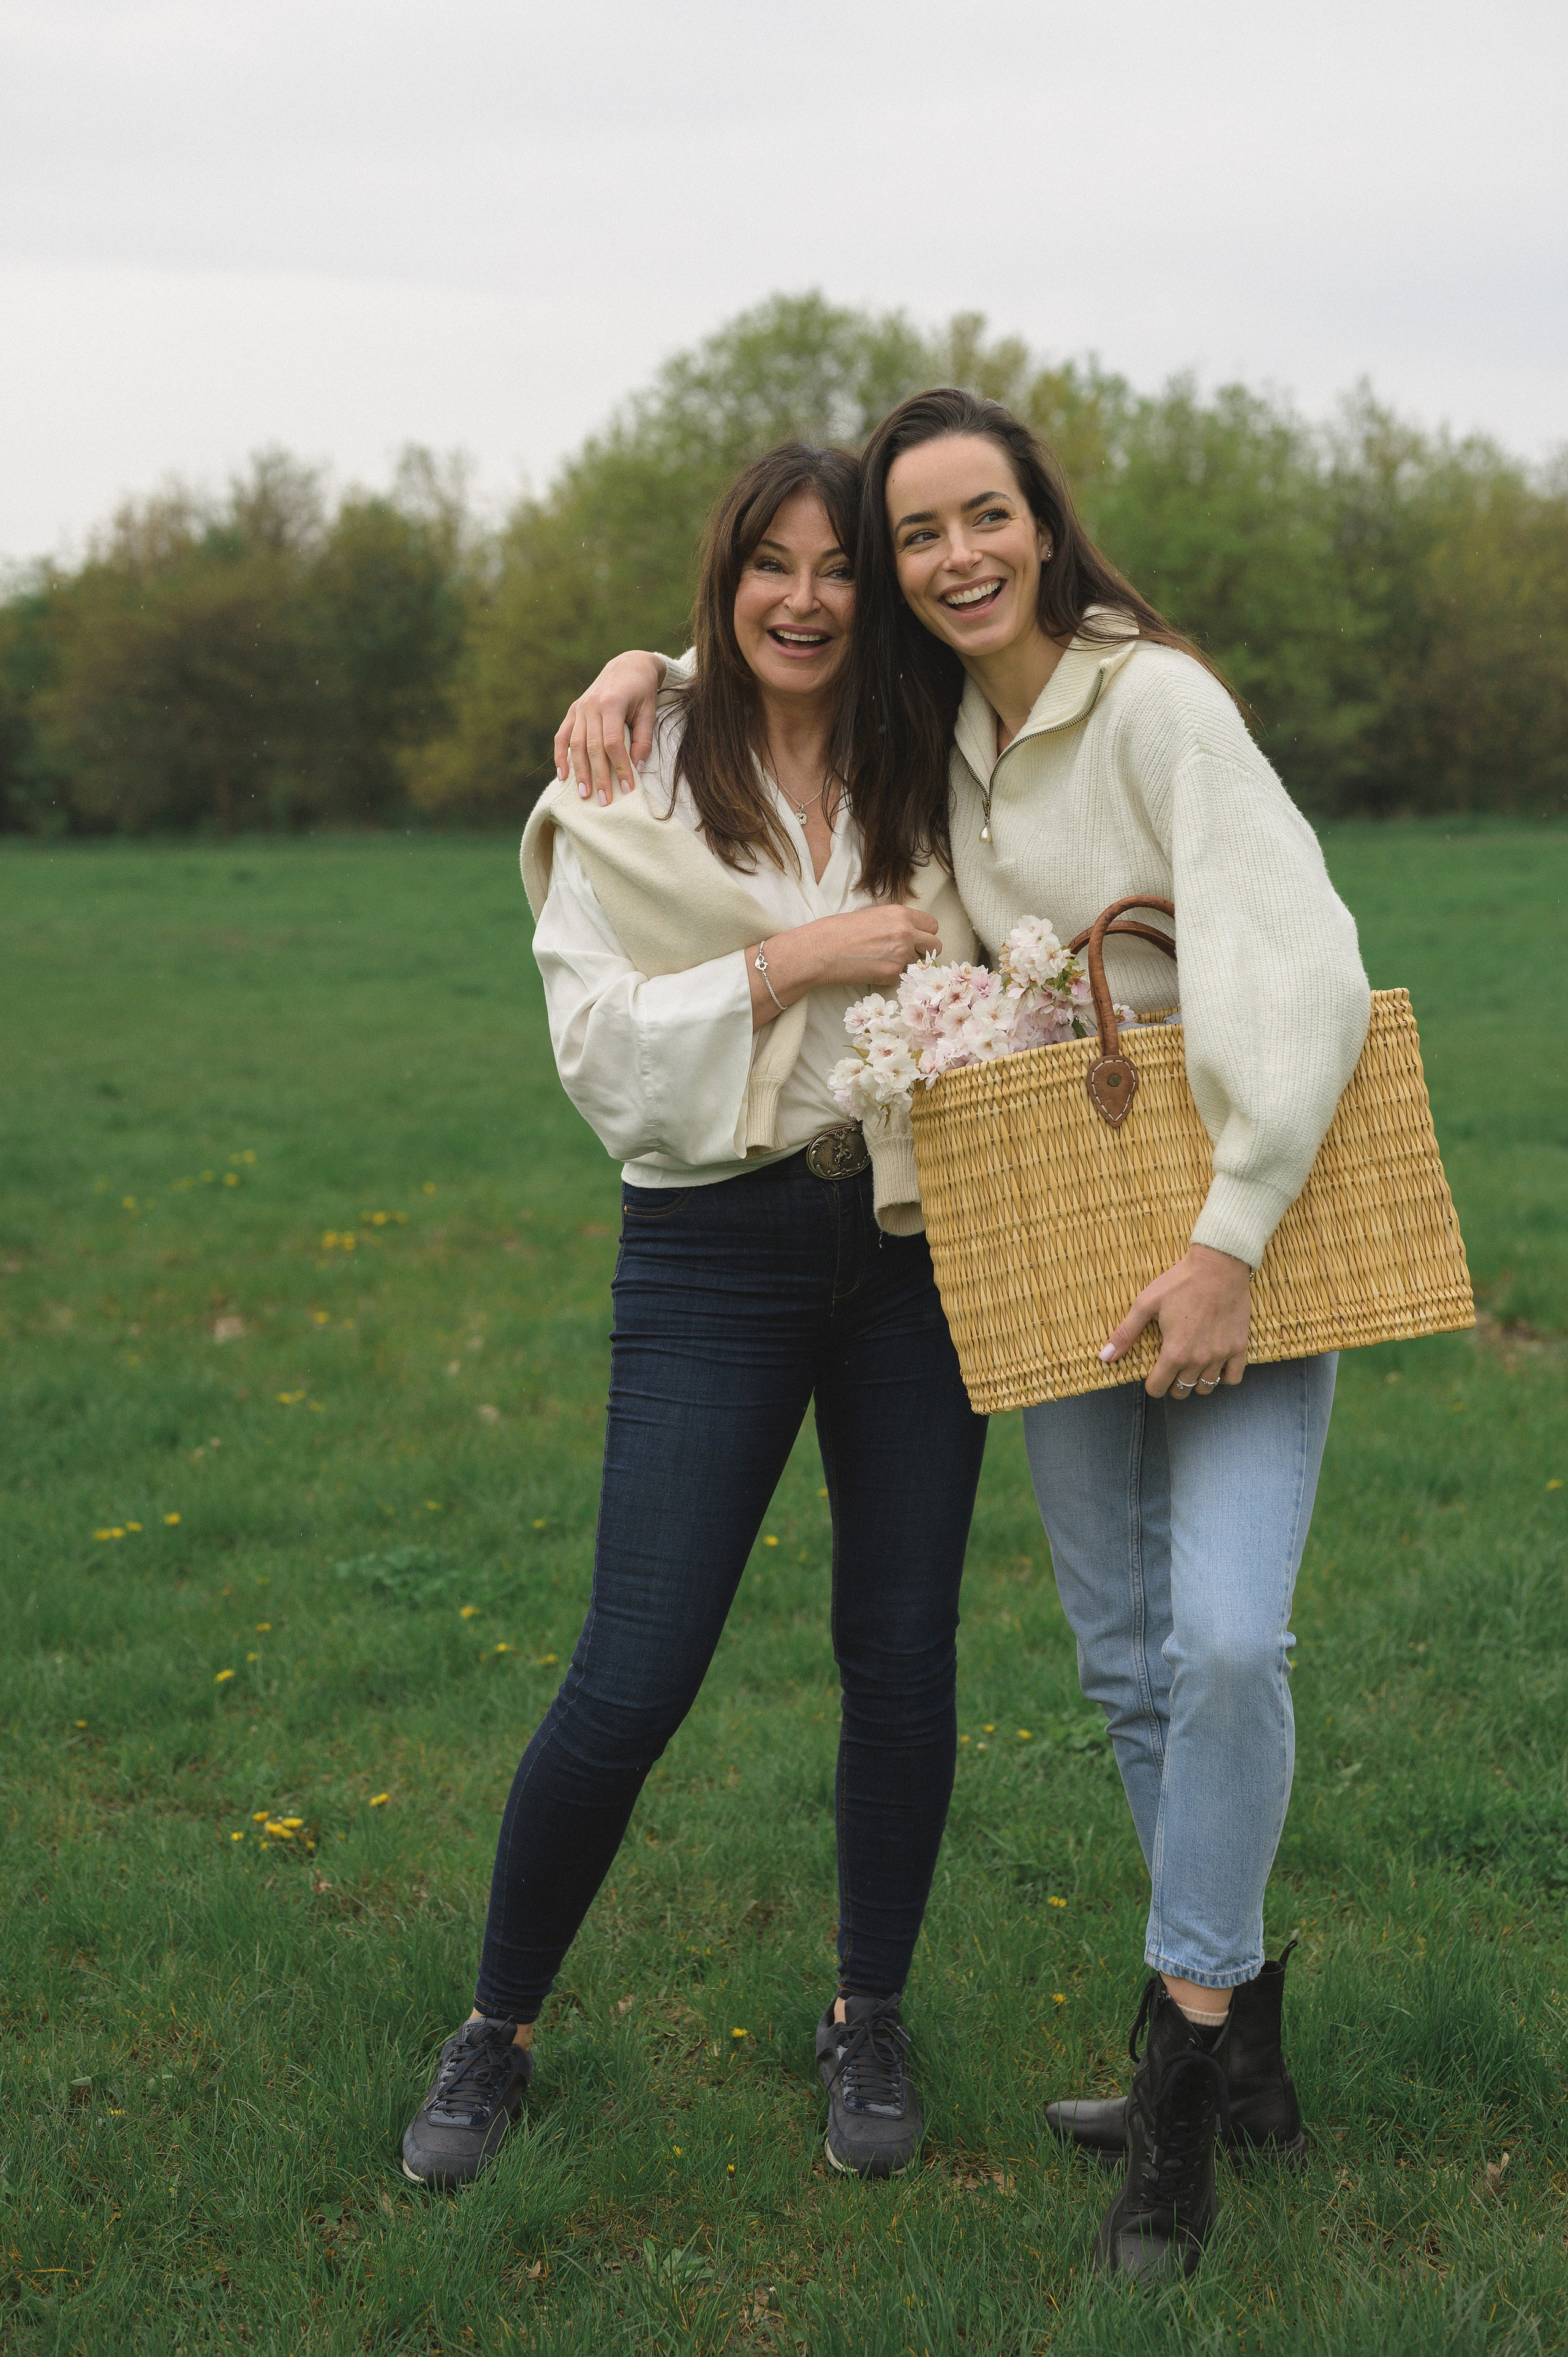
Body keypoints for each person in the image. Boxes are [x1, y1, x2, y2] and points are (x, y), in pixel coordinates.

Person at [554, 390, 1371, 2282]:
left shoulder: (1154, 701)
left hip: (1236, 1230)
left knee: (1230, 1637)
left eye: (975, 518)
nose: (949, 560)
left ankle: (1173, 2108)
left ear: (1040, 518)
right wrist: (638, 667)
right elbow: (774, 644)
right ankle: (1242, 2054)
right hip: (1063, 1242)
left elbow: (1300, 960)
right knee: (1126, 1668)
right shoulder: (942, 744)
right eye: (917, 537)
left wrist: (1234, 1234)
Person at [400, 442, 988, 2195]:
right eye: (770, 568)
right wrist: (794, 959)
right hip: (711, 1253)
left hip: (908, 1246)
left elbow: (1052, 645)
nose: (805, 600)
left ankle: (864, 2013)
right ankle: (494, 2029)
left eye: (836, 570)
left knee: (902, 1655)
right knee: (636, 1665)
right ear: (721, 580)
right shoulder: (629, 775)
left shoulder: (928, 747)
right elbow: (607, 1061)